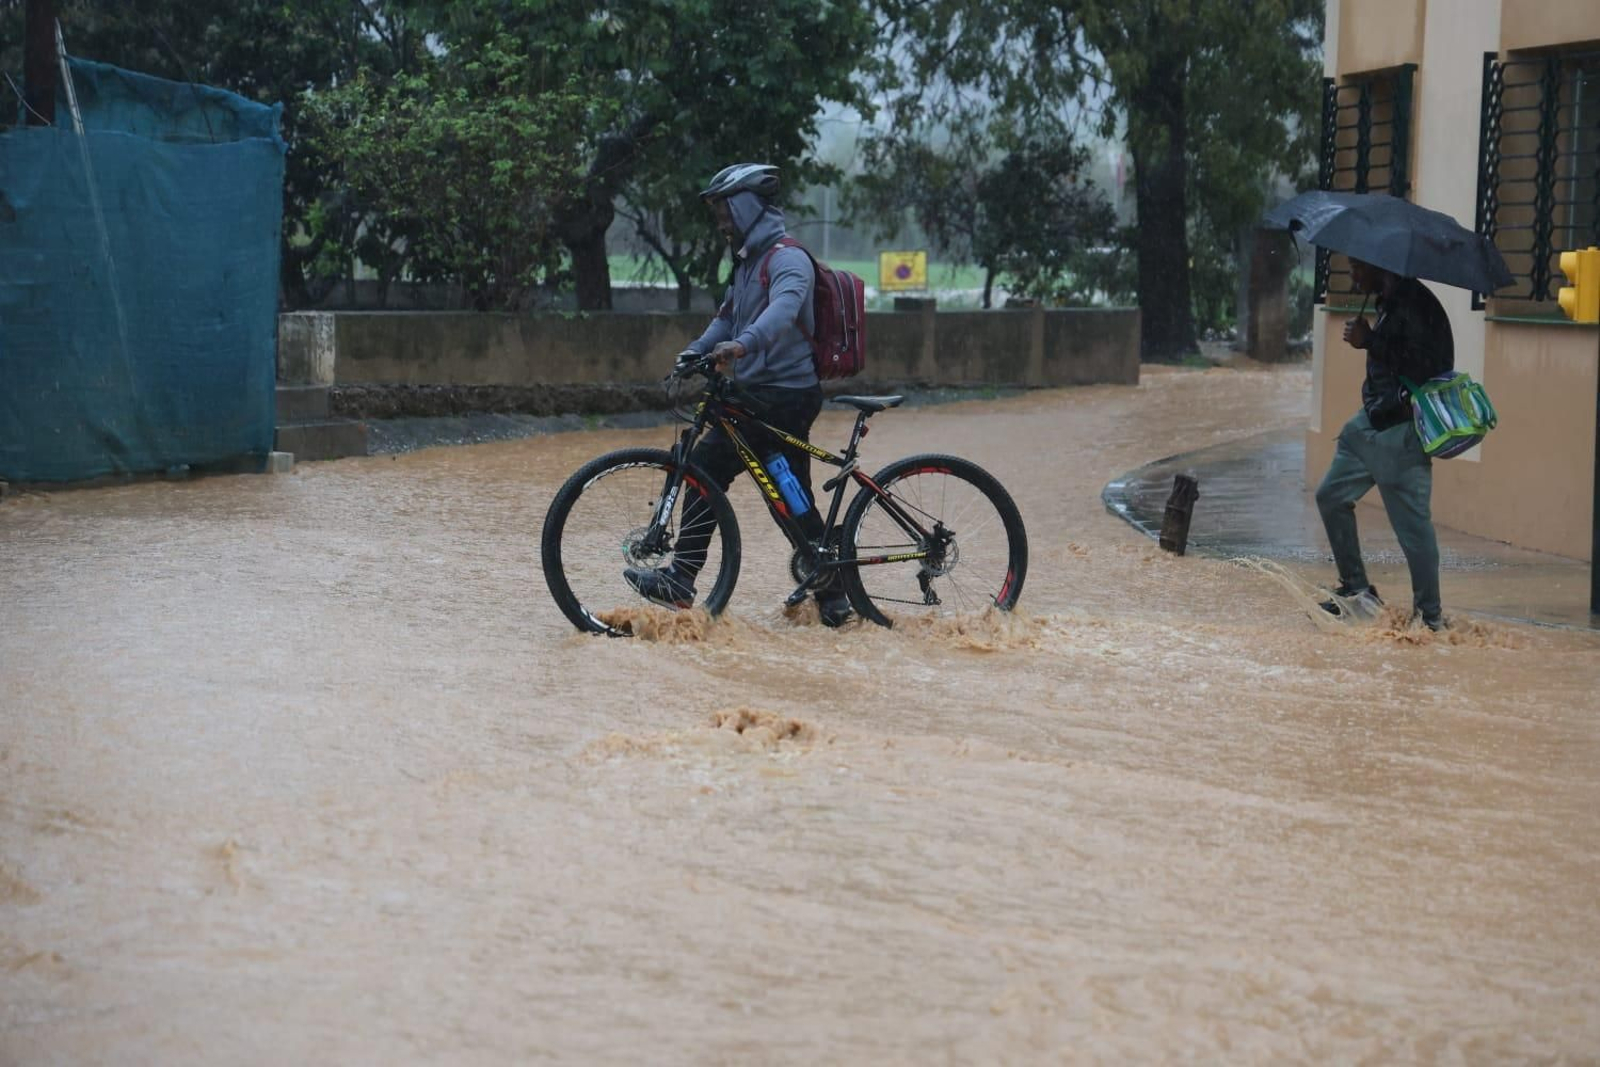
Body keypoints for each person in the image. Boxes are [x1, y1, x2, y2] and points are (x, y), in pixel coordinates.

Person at [623, 163, 853, 627]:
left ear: (746, 205)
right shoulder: (749, 263)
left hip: (787, 396)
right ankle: (832, 590)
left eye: (724, 208)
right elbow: (727, 319)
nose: (720, 219)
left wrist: (743, 345)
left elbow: (783, 312)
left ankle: (685, 578)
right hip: (754, 393)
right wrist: (696, 351)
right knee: (781, 492)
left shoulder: (787, 260)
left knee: (758, 483)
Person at [1315, 257, 1453, 631]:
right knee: (1330, 495)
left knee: (1413, 528)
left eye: (1357, 268)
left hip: (1402, 432)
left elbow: (1427, 367)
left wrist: (1370, 340)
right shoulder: (1390, 302)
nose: (1352, 275)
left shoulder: (1417, 306)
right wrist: (1372, 340)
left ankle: (1430, 618)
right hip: (1370, 422)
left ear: (1380, 266)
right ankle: (1359, 592)